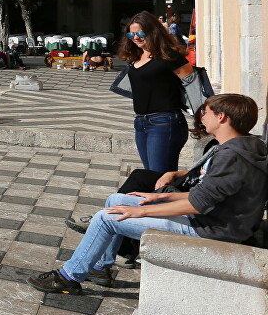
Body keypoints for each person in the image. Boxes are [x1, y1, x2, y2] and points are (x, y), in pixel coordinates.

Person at [29, 93, 266, 295]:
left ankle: (69, 277)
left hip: (210, 229)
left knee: (106, 218)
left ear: (222, 117)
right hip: (212, 219)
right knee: (116, 200)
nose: (202, 115)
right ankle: (100, 268)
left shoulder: (231, 157)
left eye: (206, 112)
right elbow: (207, 195)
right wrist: (159, 197)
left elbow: (197, 204)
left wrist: (141, 210)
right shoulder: (245, 146)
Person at [112, 10, 194, 173]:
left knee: (159, 178)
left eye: (140, 33)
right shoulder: (136, 56)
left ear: (153, 31)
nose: (135, 38)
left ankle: (175, 199)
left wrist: (201, 118)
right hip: (141, 122)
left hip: (165, 122)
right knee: (152, 176)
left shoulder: (169, 56)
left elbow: (193, 86)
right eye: (131, 35)